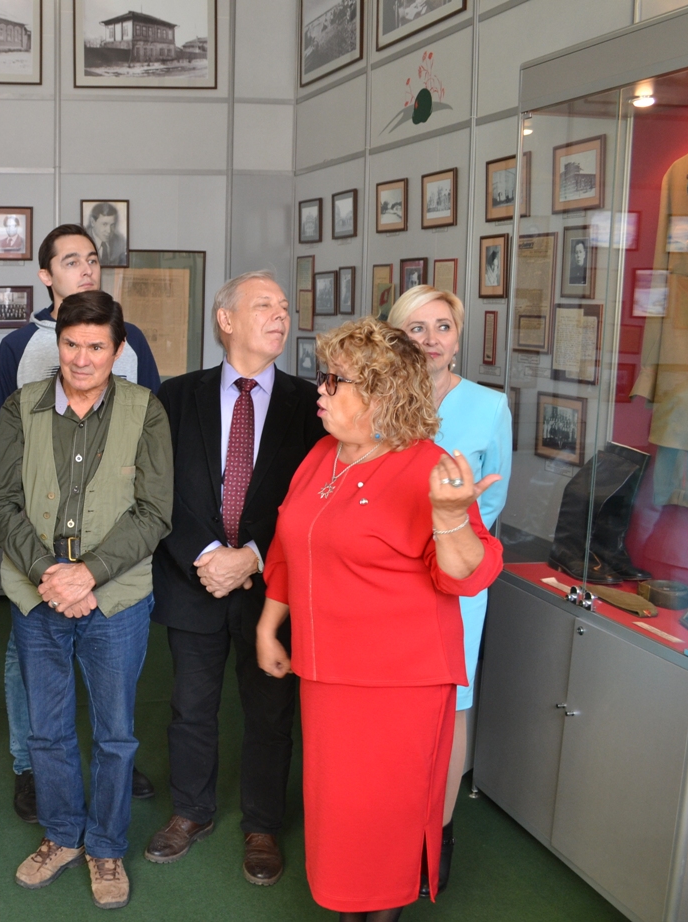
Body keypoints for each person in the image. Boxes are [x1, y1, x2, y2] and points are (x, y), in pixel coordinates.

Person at [255, 318, 503, 921]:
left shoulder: (427, 466)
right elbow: (291, 546)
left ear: (381, 393)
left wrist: (450, 515)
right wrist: (268, 625)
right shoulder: (322, 455)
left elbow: (466, 574)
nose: (319, 390)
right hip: (328, 674)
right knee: (339, 816)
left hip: (400, 685)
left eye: (334, 380)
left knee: (385, 820)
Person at [0, 291, 173, 911]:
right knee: (47, 729)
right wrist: (50, 574)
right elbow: (0, 504)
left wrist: (87, 574)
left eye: (96, 346)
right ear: (57, 343)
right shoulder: (22, 407)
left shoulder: (146, 410)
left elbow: (154, 513)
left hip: (116, 598)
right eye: (71, 344)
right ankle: (63, 835)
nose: (82, 358)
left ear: (118, 351)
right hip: (36, 592)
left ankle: (107, 846)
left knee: (116, 734)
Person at [146, 272, 326, 884]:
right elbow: (156, 489)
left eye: (285, 307)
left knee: (271, 713)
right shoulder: (176, 396)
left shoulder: (312, 404)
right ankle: (190, 812)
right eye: (264, 305)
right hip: (191, 578)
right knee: (190, 707)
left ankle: (263, 825)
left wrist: (252, 554)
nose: (281, 316)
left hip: (273, 587)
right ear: (226, 320)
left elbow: (314, 498)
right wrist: (205, 555)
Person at [387, 286, 512, 895]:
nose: (431, 339)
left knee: (449, 710)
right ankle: (384, 830)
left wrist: (444, 546)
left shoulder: (489, 407)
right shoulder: (376, 400)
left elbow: (492, 502)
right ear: (396, 336)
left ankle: (436, 834)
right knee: (389, 709)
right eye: (417, 327)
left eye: (443, 326)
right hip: (386, 582)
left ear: (458, 337)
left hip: (454, 583)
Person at [83, 202, 127, 267]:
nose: (109, 231)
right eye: (104, 224)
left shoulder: (120, 242)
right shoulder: (83, 240)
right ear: (92, 222)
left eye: (112, 225)